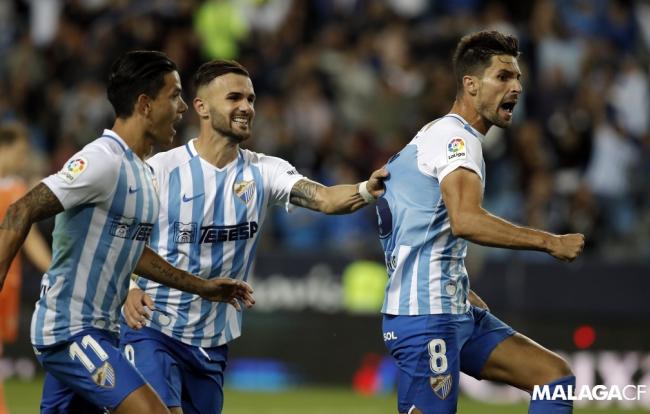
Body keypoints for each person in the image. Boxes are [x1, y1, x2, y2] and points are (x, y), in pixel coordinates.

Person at [120, 59, 387, 414]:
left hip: (211, 344)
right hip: (153, 328)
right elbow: (116, 239)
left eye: (251, 98)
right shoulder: (160, 171)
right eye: (234, 98)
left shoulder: (265, 170)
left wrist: (365, 190)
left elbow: (323, 198)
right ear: (200, 106)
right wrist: (129, 288)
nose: (246, 107)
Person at [0, 51, 255, 414]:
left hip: (103, 332)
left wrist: (202, 287)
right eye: (174, 96)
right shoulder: (102, 161)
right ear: (145, 105)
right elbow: (20, 209)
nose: (182, 107)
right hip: (70, 331)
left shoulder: (143, 174)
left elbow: (132, 252)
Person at [377, 31, 584, 414]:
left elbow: (416, 222)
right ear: (470, 85)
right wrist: (549, 242)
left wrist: (457, 284)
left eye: (518, 77)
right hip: (426, 319)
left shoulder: (432, 136)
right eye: (504, 77)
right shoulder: (457, 140)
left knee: (553, 378)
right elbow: (465, 221)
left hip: (453, 308)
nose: (517, 87)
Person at [0, 122, 52, 414]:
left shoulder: (17, 189)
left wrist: (53, 269)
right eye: (19, 152)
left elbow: (28, 238)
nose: (22, 158)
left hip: (9, 283)